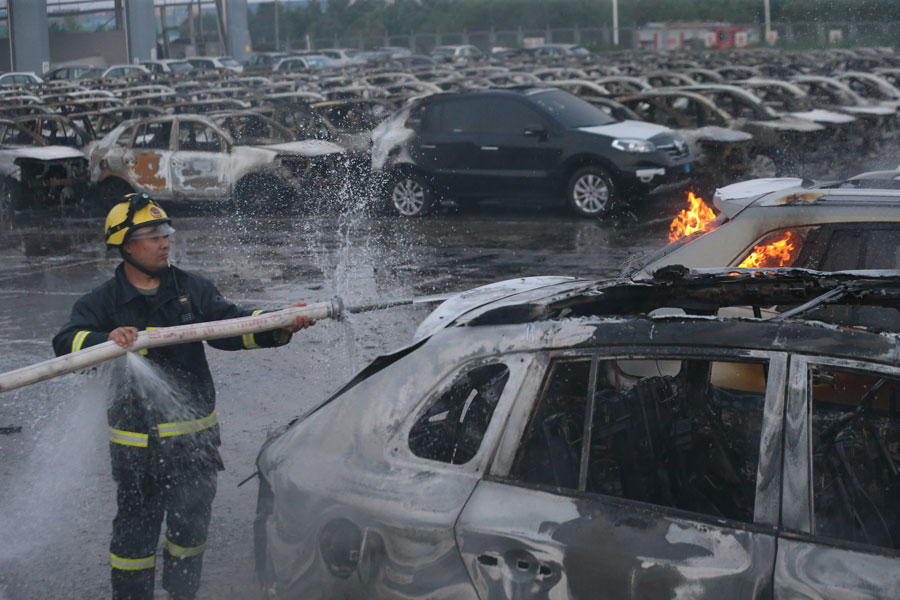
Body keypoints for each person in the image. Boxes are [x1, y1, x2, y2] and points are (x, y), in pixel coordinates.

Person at [52, 193, 313, 600]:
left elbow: (232, 326)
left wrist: (279, 322)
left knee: (190, 535)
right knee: (134, 540)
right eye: (152, 235)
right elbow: (67, 343)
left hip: (195, 444)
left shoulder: (191, 289)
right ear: (125, 245)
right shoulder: (102, 302)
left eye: (165, 233)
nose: (164, 242)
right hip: (137, 450)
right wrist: (106, 340)